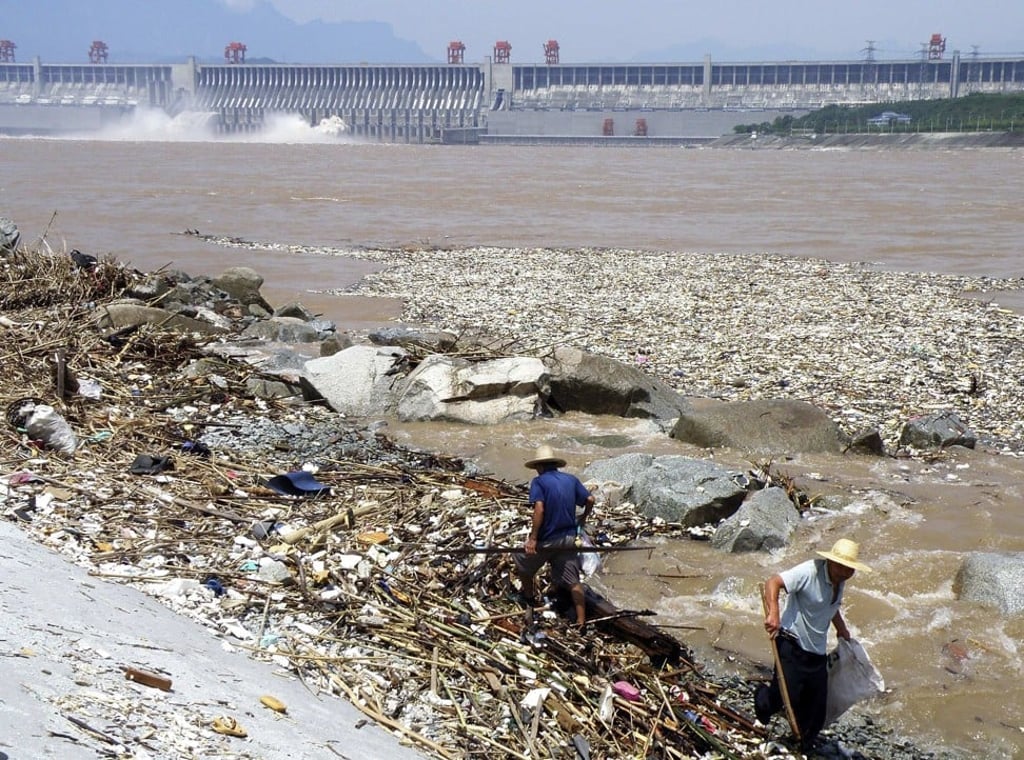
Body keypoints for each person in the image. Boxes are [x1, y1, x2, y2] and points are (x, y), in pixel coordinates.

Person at [755, 538, 872, 752]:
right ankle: (761, 698)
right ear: (831, 562)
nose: (845, 572)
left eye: (850, 569)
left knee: (817, 707)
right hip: (791, 643)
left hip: (816, 651)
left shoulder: (840, 580)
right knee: (780, 697)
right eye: (841, 566)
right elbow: (773, 582)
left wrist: (841, 629)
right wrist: (774, 612)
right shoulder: (809, 572)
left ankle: (803, 744)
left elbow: (830, 605)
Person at [513, 445, 595, 627]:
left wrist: (533, 538)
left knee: (522, 563)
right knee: (573, 581)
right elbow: (590, 499)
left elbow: (539, 508)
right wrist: (582, 517)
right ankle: (581, 621)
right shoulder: (571, 479)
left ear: (539, 467)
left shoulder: (539, 482)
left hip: (548, 539)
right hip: (569, 538)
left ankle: (529, 598)